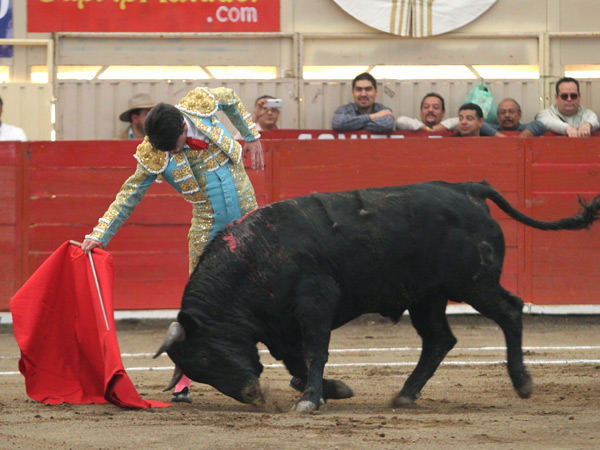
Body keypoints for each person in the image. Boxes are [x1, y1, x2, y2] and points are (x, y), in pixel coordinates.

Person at [81, 86, 265, 403]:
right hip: (209, 225)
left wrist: (252, 134)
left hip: (250, 217)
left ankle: (301, 368)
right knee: (197, 306)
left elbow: (231, 99)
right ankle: (184, 378)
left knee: (270, 289)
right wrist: (100, 234)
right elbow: (128, 196)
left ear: (183, 126)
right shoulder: (154, 151)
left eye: (175, 147)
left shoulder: (199, 103)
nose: (172, 154)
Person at [396, 92, 498, 136]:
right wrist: (428, 130)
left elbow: (476, 124)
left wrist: (436, 129)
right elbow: (400, 121)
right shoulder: (410, 126)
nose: (430, 110)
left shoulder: (455, 125)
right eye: (426, 107)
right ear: (421, 111)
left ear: (443, 112)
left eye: (436, 107)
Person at [535, 77, 599, 138]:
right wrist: (567, 128)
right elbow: (546, 121)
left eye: (573, 96)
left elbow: (594, 121)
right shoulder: (545, 114)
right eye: (564, 96)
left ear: (579, 96)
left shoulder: (588, 114)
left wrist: (588, 124)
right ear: (556, 98)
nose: (569, 99)